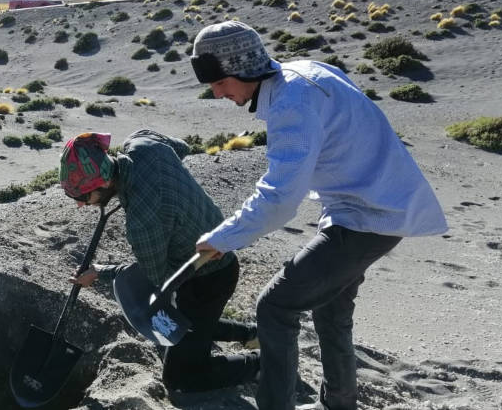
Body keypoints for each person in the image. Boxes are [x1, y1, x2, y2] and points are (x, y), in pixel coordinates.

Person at [188, 21, 448, 410]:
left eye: (220, 81)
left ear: (243, 68)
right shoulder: (305, 72)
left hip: (367, 216)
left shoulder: (291, 103)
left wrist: (222, 239)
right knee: (331, 310)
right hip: (370, 207)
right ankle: (340, 404)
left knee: (274, 306)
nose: (217, 92)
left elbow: (280, 198)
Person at [59, 129, 260, 394]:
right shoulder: (141, 143)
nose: (81, 205)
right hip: (219, 244)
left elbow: (159, 279)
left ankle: (265, 362)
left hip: (207, 278)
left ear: (105, 183)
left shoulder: (142, 221)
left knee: (180, 378)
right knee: (191, 323)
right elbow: (182, 147)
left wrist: (100, 271)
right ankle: (253, 335)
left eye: (83, 197)